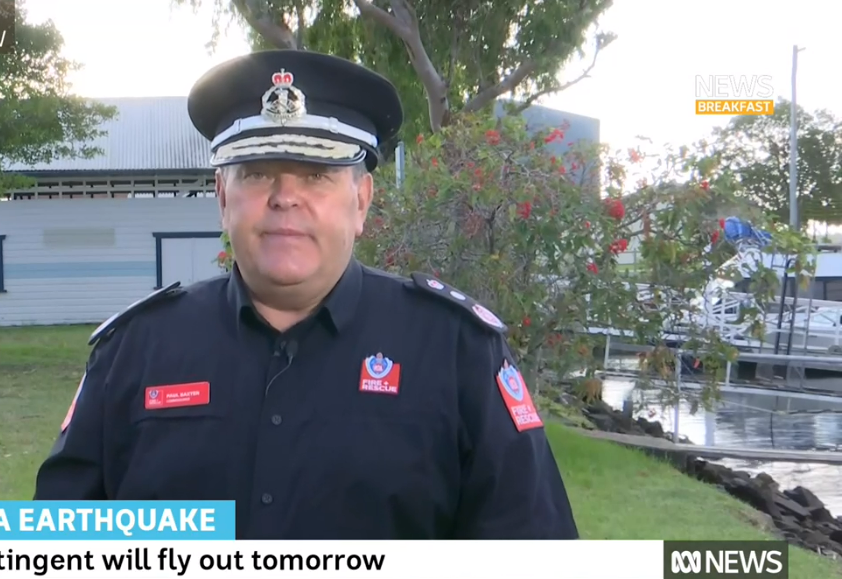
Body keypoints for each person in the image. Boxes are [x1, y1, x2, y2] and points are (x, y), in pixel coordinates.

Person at [33, 49, 579, 540]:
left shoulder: (457, 351)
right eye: (256, 173)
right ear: (223, 197)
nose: (284, 198)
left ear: (361, 201)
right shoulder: (135, 351)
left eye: (317, 174)